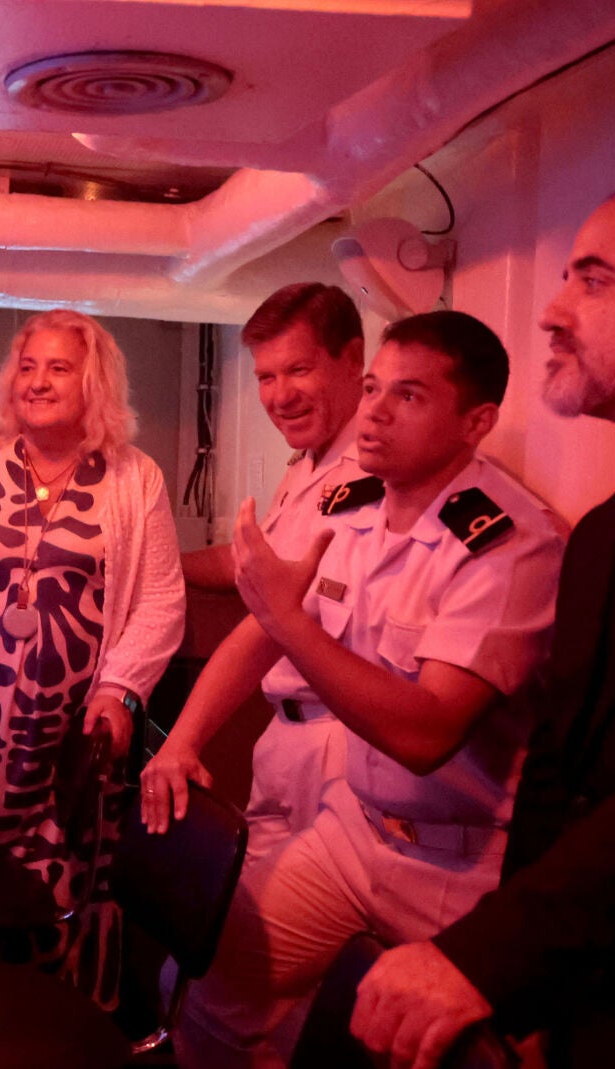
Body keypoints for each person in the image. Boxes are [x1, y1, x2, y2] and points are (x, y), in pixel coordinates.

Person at [351, 173, 615, 1069]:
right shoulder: (608, 529)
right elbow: (560, 776)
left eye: (594, 278)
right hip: (596, 991)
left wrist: (492, 958)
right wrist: (530, 988)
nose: (551, 312)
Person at [159, 311, 567, 1069]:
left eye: (408, 396)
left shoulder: (510, 544)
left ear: (476, 422)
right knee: (206, 984)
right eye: (374, 388)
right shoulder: (354, 504)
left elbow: (426, 731)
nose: (374, 412)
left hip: (457, 865)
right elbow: (264, 628)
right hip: (354, 831)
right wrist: (180, 741)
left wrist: (287, 618)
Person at [0, 309, 185, 1007]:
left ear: (94, 382)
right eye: (27, 366)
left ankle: (31, 1023)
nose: (37, 382)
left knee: (46, 918)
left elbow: (163, 599)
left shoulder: (134, 478)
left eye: (58, 368)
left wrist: (119, 688)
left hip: (64, 755)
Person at [178, 283, 369, 863]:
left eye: (299, 370)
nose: (280, 396)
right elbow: (250, 559)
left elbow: (269, 623)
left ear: (353, 360)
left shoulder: (372, 472)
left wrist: (184, 738)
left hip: (339, 740)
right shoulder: (309, 464)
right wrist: (156, 567)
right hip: (285, 734)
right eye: (266, 377)